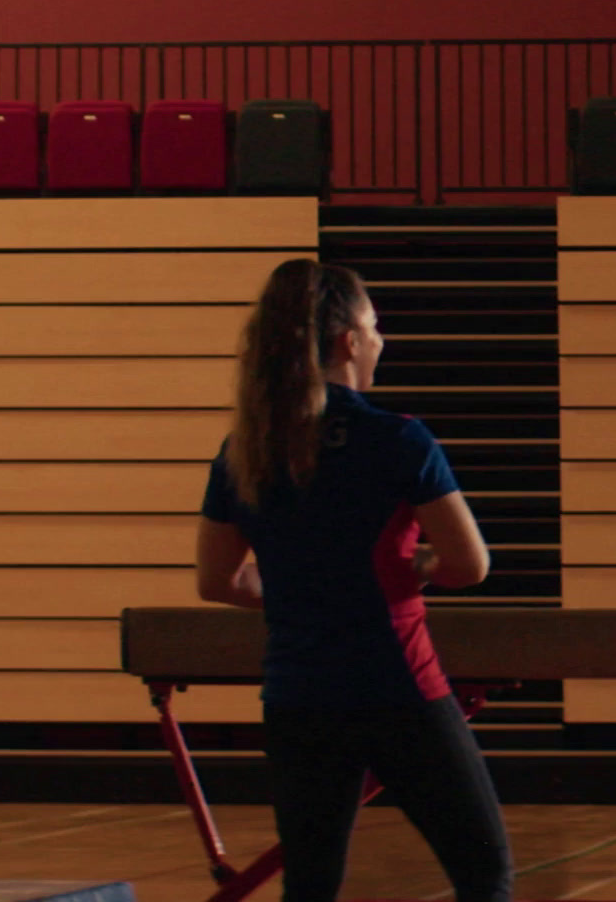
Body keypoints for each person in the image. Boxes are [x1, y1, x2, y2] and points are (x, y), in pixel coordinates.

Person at [196, 257, 513, 902]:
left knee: (310, 887)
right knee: (484, 875)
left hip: (299, 699)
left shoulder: (247, 447)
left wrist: (297, 584)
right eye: (374, 326)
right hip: (399, 690)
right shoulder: (397, 440)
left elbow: (217, 581)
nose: (380, 340)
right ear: (347, 342)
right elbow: (469, 565)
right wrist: (418, 566)